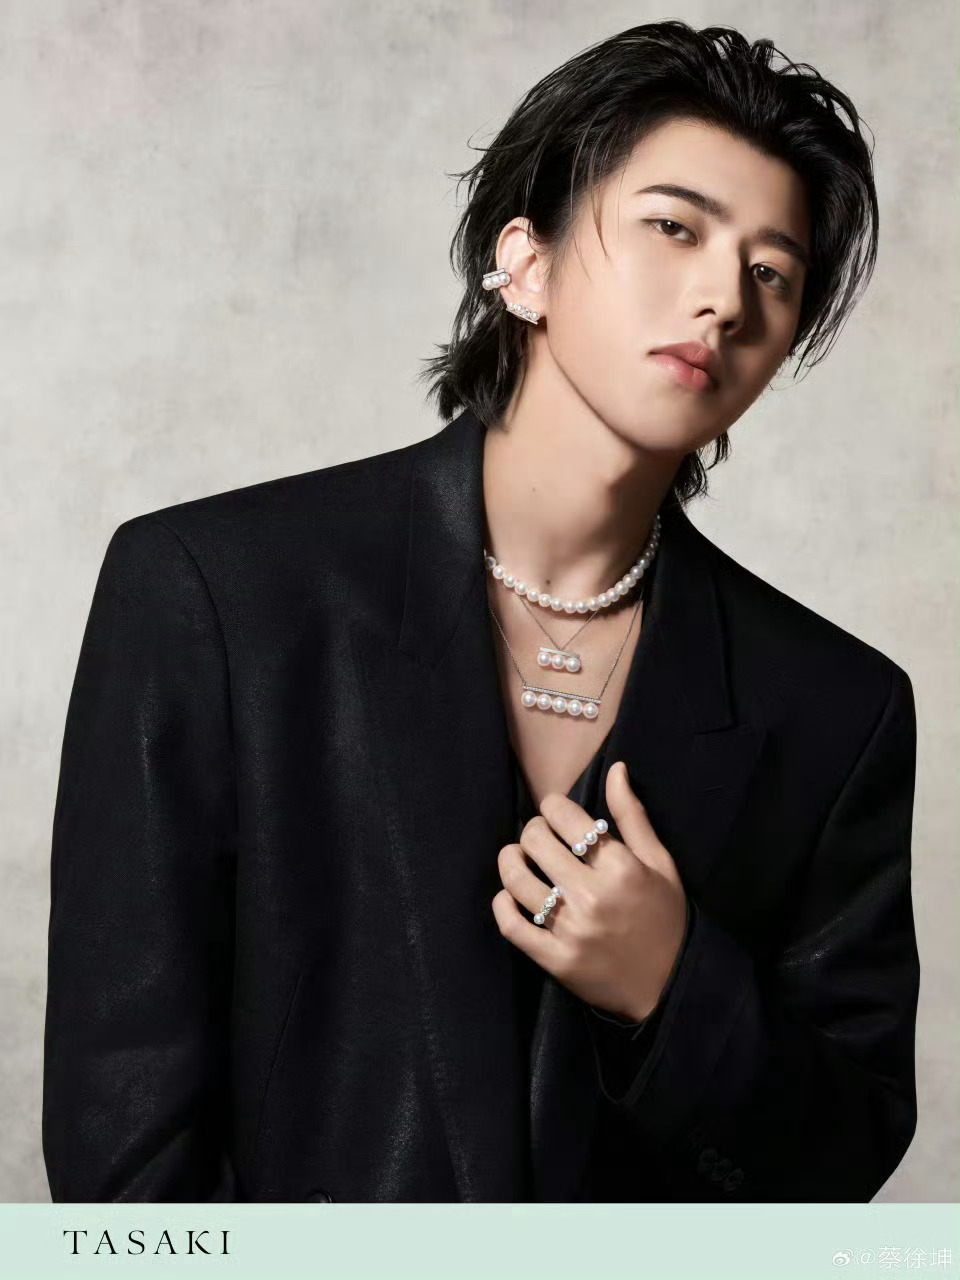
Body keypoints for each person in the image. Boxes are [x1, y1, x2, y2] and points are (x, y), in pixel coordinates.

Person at [42, 20, 919, 1203]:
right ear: (526, 262)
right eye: (674, 227)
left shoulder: (835, 708)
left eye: (772, 272)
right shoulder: (212, 596)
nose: (723, 298)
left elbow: (840, 1160)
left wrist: (673, 991)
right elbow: (124, 1137)